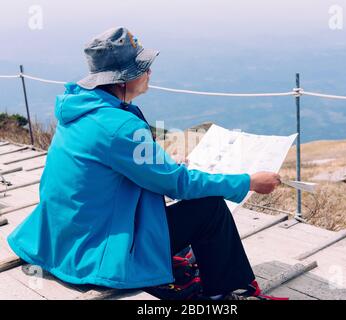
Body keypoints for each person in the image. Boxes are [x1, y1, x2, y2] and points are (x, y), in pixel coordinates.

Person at [7, 26, 282, 300]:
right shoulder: (120, 125)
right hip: (96, 252)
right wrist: (249, 182)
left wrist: (161, 163)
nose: (149, 71)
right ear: (122, 79)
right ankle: (226, 294)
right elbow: (178, 184)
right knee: (209, 210)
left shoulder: (80, 108)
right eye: (142, 67)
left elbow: (111, 164)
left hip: (61, 240)